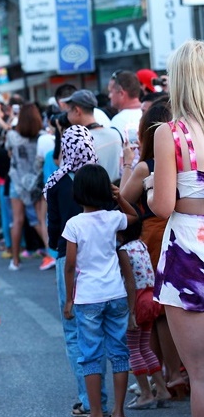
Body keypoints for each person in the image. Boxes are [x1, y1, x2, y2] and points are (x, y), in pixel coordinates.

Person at [149, 39, 204, 416]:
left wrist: (152, 185)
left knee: (200, 374)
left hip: (188, 247)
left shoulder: (171, 133)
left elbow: (163, 207)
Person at [118, 95, 186, 397]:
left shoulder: (146, 167)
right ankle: (175, 371)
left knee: (158, 310)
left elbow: (123, 198)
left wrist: (127, 165)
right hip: (182, 230)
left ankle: (169, 374)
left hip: (154, 235)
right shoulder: (186, 152)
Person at [63, 164, 138, 417]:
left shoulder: (74, 224)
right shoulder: (113, 217)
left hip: (88, 297)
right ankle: (118, 410)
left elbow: (70, 265)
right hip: (115, 294)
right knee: (119, 353)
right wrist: (120, 198)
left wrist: (69, 300)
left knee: (91, 356)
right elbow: (134, 218)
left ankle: (96, 411)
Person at [44, 125, 108, 416]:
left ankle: (88, 399)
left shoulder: (56, 182)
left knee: (73, 331)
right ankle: (104, 400)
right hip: (101, 259)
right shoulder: (99, 179)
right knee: (102, 330)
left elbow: (53, 230)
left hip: (65, 260)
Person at [117, 220, 171, 409]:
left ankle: (146, 393)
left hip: (137, 300)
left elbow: (130, 282)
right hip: (150, 297)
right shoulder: (141, 245)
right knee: (144, 347)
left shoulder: (123, 250)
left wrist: (130, 312)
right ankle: (162, 389)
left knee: (133, 349)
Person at [5, 102, 54, 271]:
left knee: (17, 221)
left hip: (17, 181)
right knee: (40, 220)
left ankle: (15, 260)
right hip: (36, 182)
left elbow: (9, 153)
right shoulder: (42, 136)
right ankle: (51, 253)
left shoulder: (12, 135)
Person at [63, 89, 123, 183]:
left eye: (68, 111)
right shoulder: (115, 134)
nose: (67, 115)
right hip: (115, 193)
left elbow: (64, 174)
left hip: (90, 196)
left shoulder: (78, 141)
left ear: (77, 110)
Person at [107, 70, 142, 140]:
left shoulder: (118, 121)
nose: (109, 96)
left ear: (121, 94)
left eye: (111, 91)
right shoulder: (149, 113)